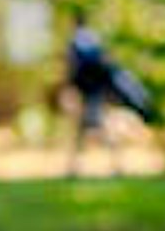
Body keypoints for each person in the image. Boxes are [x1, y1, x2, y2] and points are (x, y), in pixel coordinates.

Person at [62, 21, 158, 173]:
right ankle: (79, 167)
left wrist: (72, 89)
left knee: (95, 127)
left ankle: (105, 166)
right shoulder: (92, 39)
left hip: (91, 92)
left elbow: (73, 69)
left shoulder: (76, 42)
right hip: (100, 90)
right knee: (92, 127)